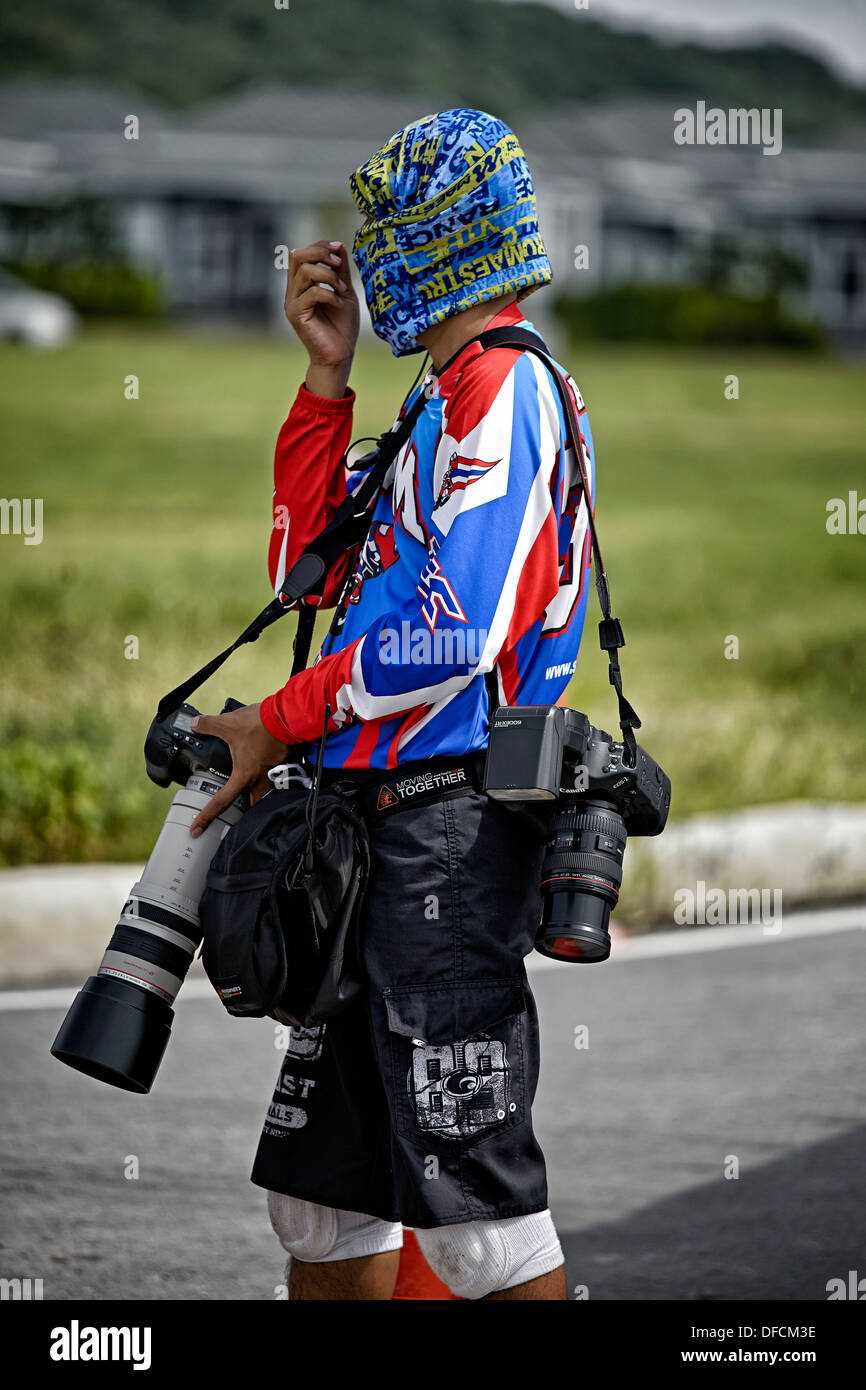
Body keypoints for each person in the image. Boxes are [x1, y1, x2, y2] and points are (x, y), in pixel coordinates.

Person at [189, 108, 596, 1300]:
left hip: (448, 836)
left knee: (475, 1215)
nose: (363, 257)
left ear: (440, 236)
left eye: (383, 232)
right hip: (369, 833)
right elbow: (304, 578)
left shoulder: (506, 392)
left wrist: (280, 718)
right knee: (322, 1208)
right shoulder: (437, 396)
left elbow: (452, 638)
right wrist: (325, 381)